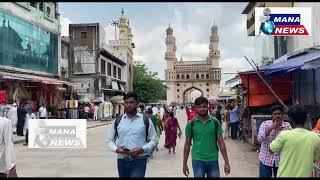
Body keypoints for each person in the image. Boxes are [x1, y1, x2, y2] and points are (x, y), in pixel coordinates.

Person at [106, 92, 158, 178]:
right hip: (122, 160)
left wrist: (142, 149)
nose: (128, 105)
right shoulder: (118, 121)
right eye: (126, 103)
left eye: (131, 102)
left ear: (137, 104)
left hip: (140, 160)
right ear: (124, 104)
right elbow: (109, 140)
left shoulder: (146, 120)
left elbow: (154, 139)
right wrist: (117, 149)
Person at [183, 97, 230, 178]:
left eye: (204, 106)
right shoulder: (191, 124)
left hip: (213, 159)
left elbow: (221, 142)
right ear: (196, 108)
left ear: (208, 107)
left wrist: (226, 162)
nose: (202, 109)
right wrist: (184, 164)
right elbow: (187, 144)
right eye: (199, 107)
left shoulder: (215, 122)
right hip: (197, 160)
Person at [270, 105, 320, 177]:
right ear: (306, 119)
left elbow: (271, 149)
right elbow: (315, 158)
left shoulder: (284, 135)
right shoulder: (315, 138)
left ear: (291, 120)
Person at [257, 105, 292, 177]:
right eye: (275, 114)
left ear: (282, 114)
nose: (277, 116)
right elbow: (259, 139)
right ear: (272, 115)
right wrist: (271, 128)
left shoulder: (287, 125)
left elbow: (291, 141)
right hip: (265, 158)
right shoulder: (265, 124)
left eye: (279, 114)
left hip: (281, 160)